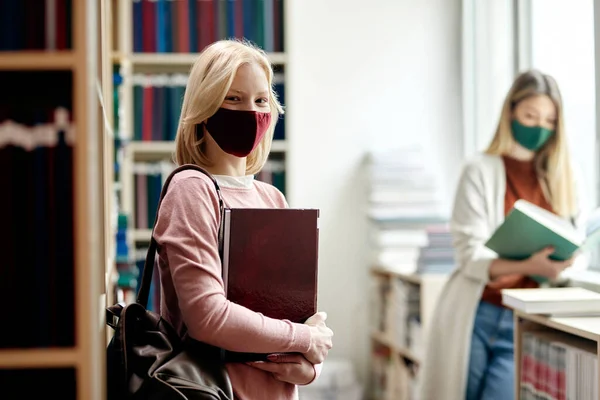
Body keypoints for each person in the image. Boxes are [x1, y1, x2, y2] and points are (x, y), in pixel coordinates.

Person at [153, 39, 334, 400]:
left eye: (261, 101)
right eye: (233, 99)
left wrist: (310, 367)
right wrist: (304, 339)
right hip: (213, 392)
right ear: (204, 107)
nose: (250, 112)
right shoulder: (192, 189)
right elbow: (208, 315)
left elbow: (297, 321)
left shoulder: (272, 198)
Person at [419, 69, 589, 400]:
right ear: (510, 112)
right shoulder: (479, 170)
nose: (539, 127)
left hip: (528, 316)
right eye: (530, 115)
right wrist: (530, 266)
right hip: (480, 313)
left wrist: (566, 263)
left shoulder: (567, 176)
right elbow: (470, 258)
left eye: (549, 121)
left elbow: (579, 248)